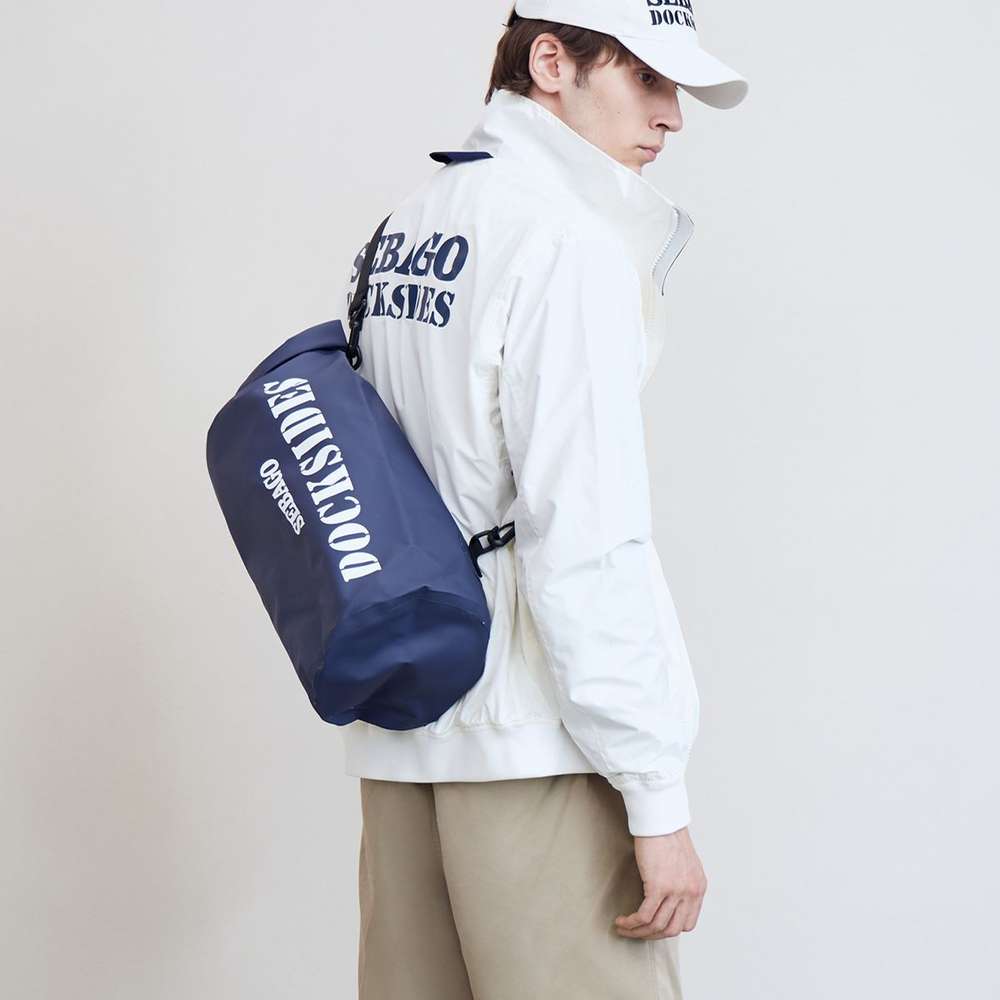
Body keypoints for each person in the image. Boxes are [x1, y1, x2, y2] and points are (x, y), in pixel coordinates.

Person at [339, 3, 746, 996]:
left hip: (404, 733)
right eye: (646, 78)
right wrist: (654, 794)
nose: (671, 115)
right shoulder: (565, 244)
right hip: (534, 738)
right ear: (553, 63)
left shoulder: (408, 225)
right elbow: (584, 537)